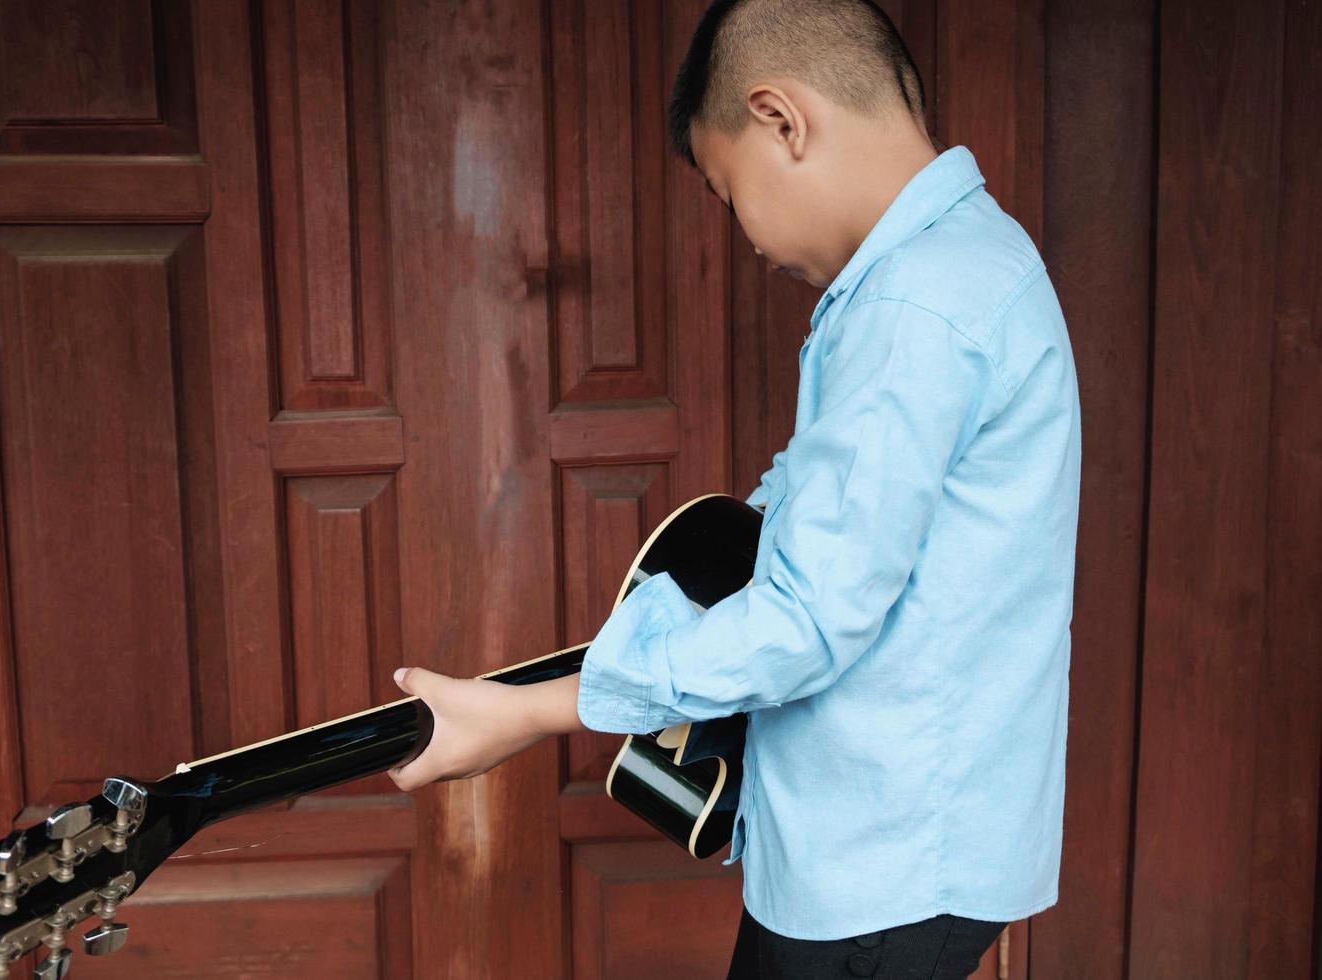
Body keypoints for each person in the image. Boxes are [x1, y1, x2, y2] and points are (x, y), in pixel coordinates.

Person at [385, 0, 1080, 976]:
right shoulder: (968, 265)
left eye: (726, 189)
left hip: (877, 864)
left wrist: (531, 712)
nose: (745, 236)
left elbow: (807, 618)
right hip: (911, 844)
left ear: (782, 120)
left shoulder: (913, 306)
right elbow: (816, 524)